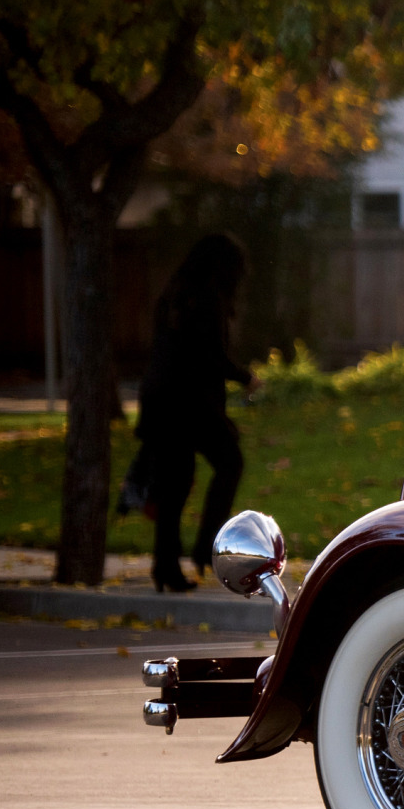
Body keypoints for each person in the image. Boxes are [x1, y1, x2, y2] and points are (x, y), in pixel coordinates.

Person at [135, 234, 254, 591]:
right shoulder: (206, 299)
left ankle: (169, 566)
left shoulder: (175, 294)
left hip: (165, 399)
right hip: (186, 402)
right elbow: (209, 357)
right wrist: (246, 377)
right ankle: (202, 550)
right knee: (226, 463)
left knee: (173, 486)